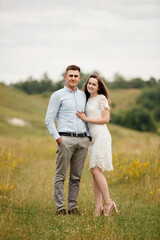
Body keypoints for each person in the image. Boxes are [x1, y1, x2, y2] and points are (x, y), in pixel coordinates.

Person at [45, 65, 90, 215]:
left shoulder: (83, 95)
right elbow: (49, 120)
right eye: (70, 75)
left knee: (76, 177)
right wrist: (58, 138)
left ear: (79, 78)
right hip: (65, 140)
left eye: (75, 76)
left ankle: (73, 207)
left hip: (82, 140)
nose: (73, 78)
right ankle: (60, 208)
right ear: (65, 77)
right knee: (61, 176)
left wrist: (88, 136)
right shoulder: (57, 95)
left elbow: (86, 118)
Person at [76, 74, 118, 217]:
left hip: (101, 135)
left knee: (95, 170)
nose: (90, 86)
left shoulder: (101, 99)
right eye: (89, 83)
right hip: (92, 138)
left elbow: (105, 119)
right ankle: (98, 206)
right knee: (95, 173)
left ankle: (108, 203)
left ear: (99, 87)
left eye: (94, 84)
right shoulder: (87, 99)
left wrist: (86, 118)